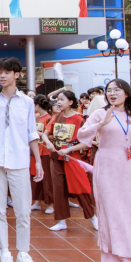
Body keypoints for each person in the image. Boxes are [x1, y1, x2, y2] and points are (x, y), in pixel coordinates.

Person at [77, 79, 131, 262]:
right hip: (106, 166)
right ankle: (112, 256)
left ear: (126, 93)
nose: (112, 93)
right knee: (112, 211)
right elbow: (82, 135)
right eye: (109, 90)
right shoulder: (100, 113)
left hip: (129, 167)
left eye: (117, 90)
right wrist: (99, 125)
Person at [0, 58, 43, 262]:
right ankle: (5, 251)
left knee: (23, 210)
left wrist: (38, 161)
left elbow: (31, 133)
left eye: (7, 72)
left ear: (17, 74)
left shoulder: (27, 102)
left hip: (20, 160)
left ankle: (23, 252)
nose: (2, 75)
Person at [41, 90, 97, 231]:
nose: (58, 102)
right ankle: (61, 221)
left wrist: (69, 150)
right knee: (58, 189)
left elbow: (86, 142)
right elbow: (45, 134)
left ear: (71, 102)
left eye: (62, 99)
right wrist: (47, 142)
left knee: (80, 187)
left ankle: (92, 217)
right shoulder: (56, 117)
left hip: (72, 158)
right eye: (57, 100)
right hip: (55, 157)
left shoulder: (79, 120)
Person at [30, 95, 54, 215]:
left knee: (47, 179)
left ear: (37, 105)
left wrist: (38, 133)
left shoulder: (49, 118)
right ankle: (37, 202)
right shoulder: (37, 117)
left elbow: (52, 135)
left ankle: (50, 203)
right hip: (36, 151)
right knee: (36, 177)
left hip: (45, 151)